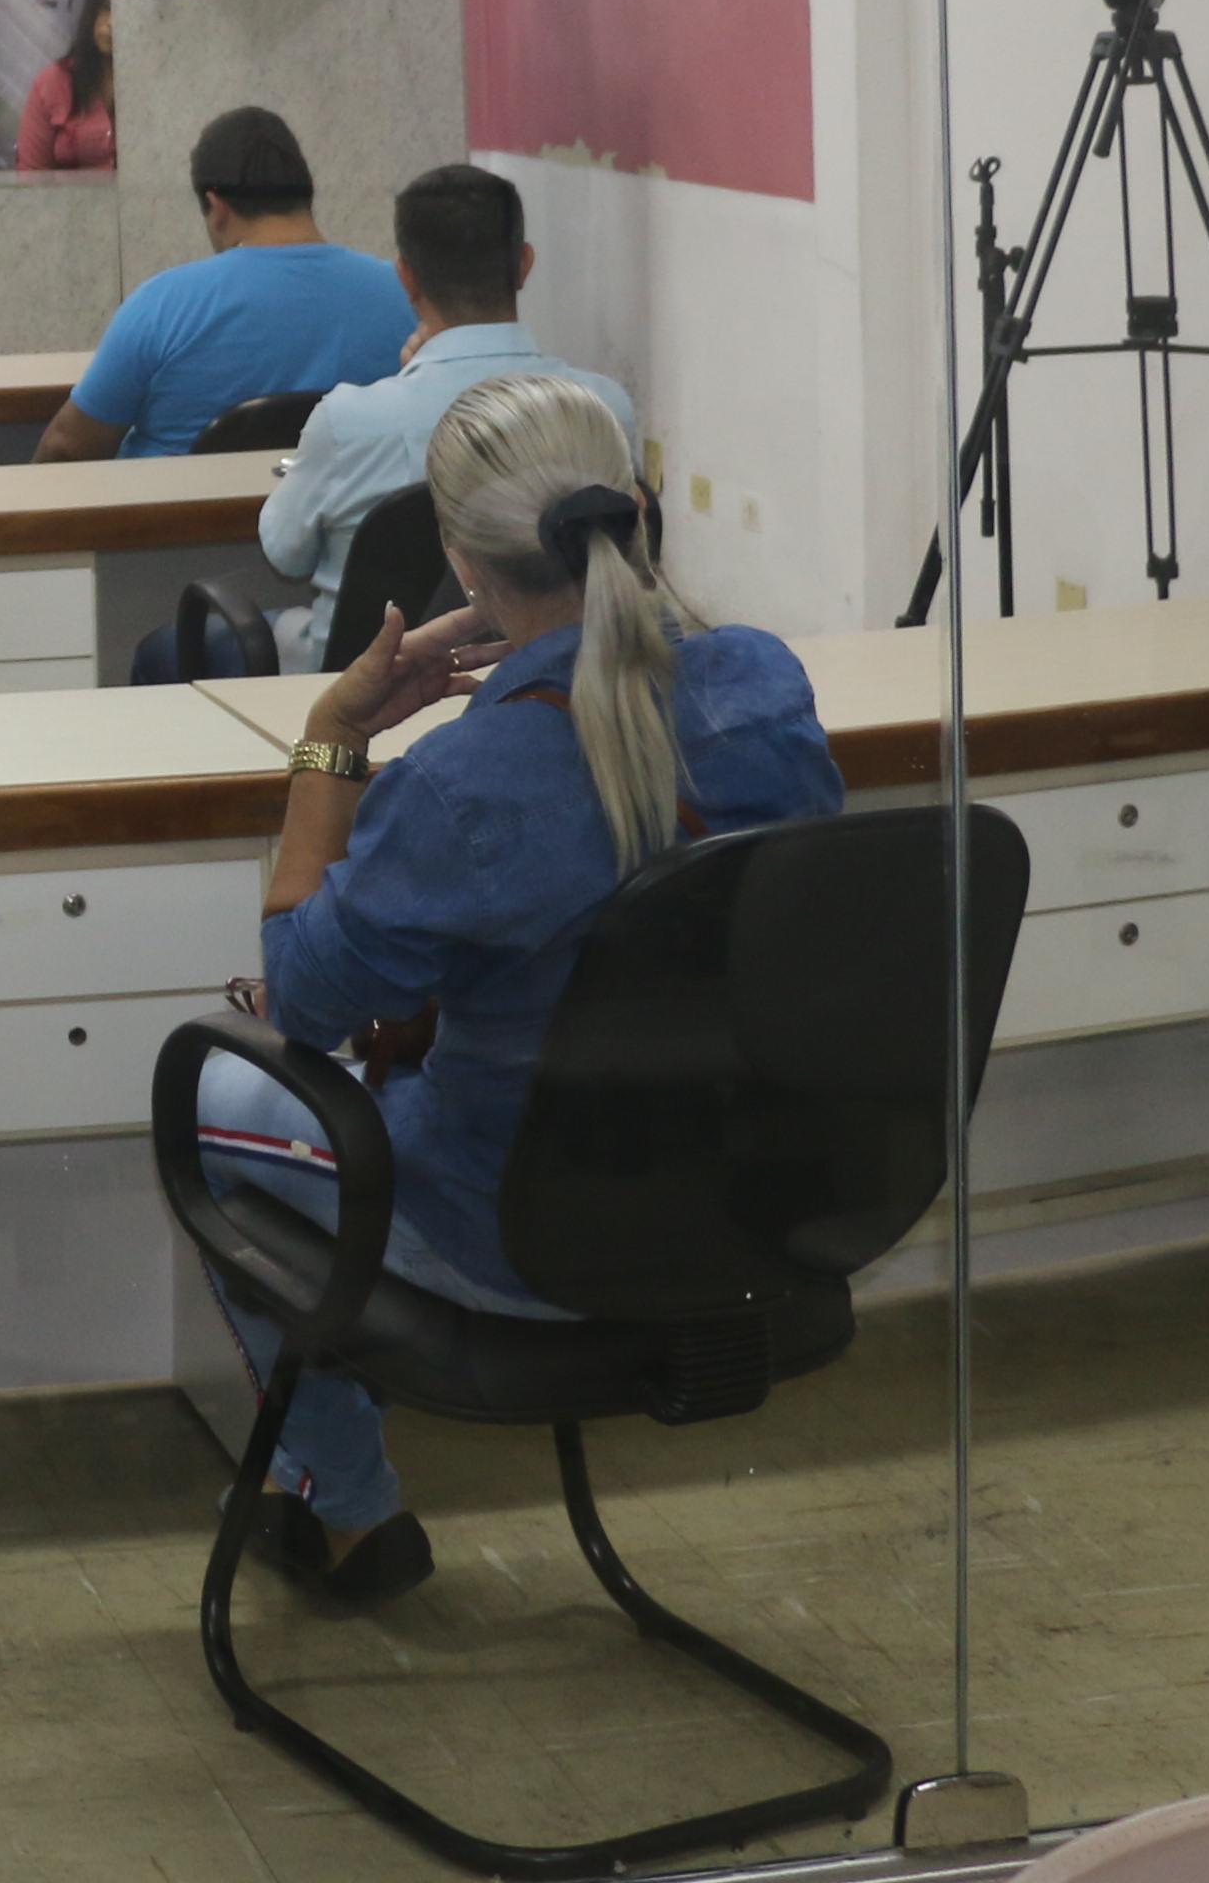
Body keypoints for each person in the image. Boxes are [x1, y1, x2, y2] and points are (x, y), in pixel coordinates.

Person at [176, 369, 837, 1599]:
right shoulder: (763, 686)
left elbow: (304, 1000)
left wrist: (333, 739)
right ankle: (333, 1485)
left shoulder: (462, 784)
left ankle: (344, 1509)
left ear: (459, 559)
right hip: (742, 1207)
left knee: (212, 1094)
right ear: (634, 506)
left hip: (516, 1237)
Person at [201, 165, 633, 679]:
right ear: (524, 265)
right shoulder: (605, 408)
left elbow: (287, 554)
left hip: (373, 687)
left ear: (406, 277)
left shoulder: (348, 421)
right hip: (558, 676)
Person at [35, 108, 413, 464]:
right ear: (307, 192)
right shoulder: (406, 294)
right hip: (350, 512)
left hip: (184, 512)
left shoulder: (163, 305)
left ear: (216, 207)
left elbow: (67, 446)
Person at [20, 0, 164, 175]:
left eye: (126, 11)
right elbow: (31, 175)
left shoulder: (165, 83)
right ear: (91, 14)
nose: (111, 23)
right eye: (106, 9)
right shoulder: (54, 82)